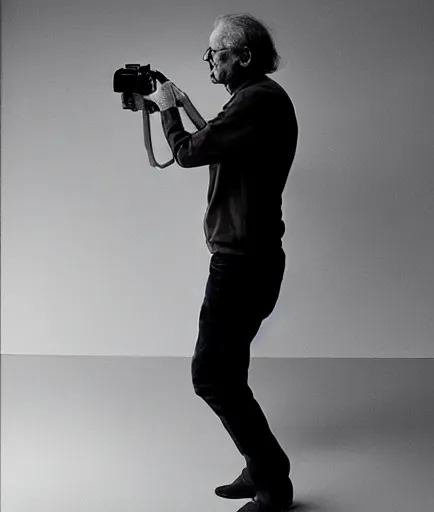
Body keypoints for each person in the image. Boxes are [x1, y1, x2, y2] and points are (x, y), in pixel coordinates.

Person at [144, 13, 298, 512]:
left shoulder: (258, 101)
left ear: (243, 56)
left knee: (211, 375)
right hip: (250, 260)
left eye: (216, 51)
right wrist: (180, 101)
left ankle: (274, 480)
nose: (209, 59)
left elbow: (190, 152)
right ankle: (260, 467)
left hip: (242, 266)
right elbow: (216, 138)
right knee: (230, 369)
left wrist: (167, 110)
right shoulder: (256, 101)